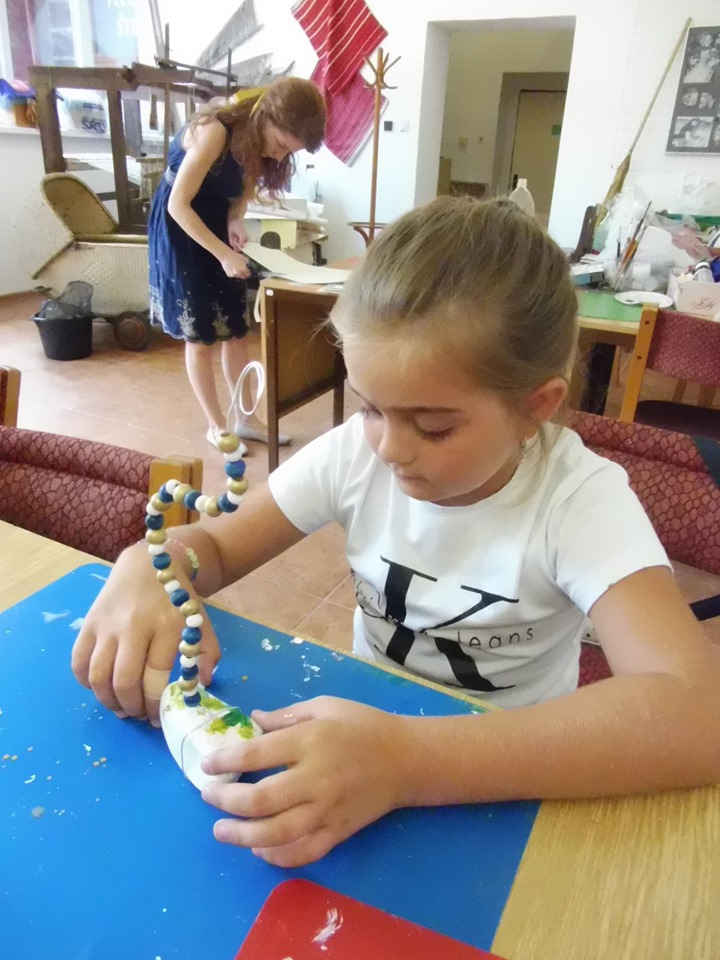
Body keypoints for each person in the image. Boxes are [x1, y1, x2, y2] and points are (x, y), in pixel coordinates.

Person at [73, 196, 720, 869]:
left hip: (510, 766)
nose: (388, 448)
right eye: (370, 407)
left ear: (536, 408)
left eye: (433, 427)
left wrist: (410, 761)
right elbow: (213, 547)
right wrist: (149, 566)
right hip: (359, 744)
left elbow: (698, 715)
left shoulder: (580, 498)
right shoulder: (354, 454)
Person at [148, 77, 326, 450]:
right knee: (200, 337)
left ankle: (245, 419)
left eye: (287, 153)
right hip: (183, 226)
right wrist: (223, 254)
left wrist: (234, 220)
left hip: (214, 220)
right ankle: (216, 426)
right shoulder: (216, 131)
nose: (279, 157)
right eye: (280, 145)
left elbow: (242, 189)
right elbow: (178, 204)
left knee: (236, 329)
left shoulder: (257, 137)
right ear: (266, 116)